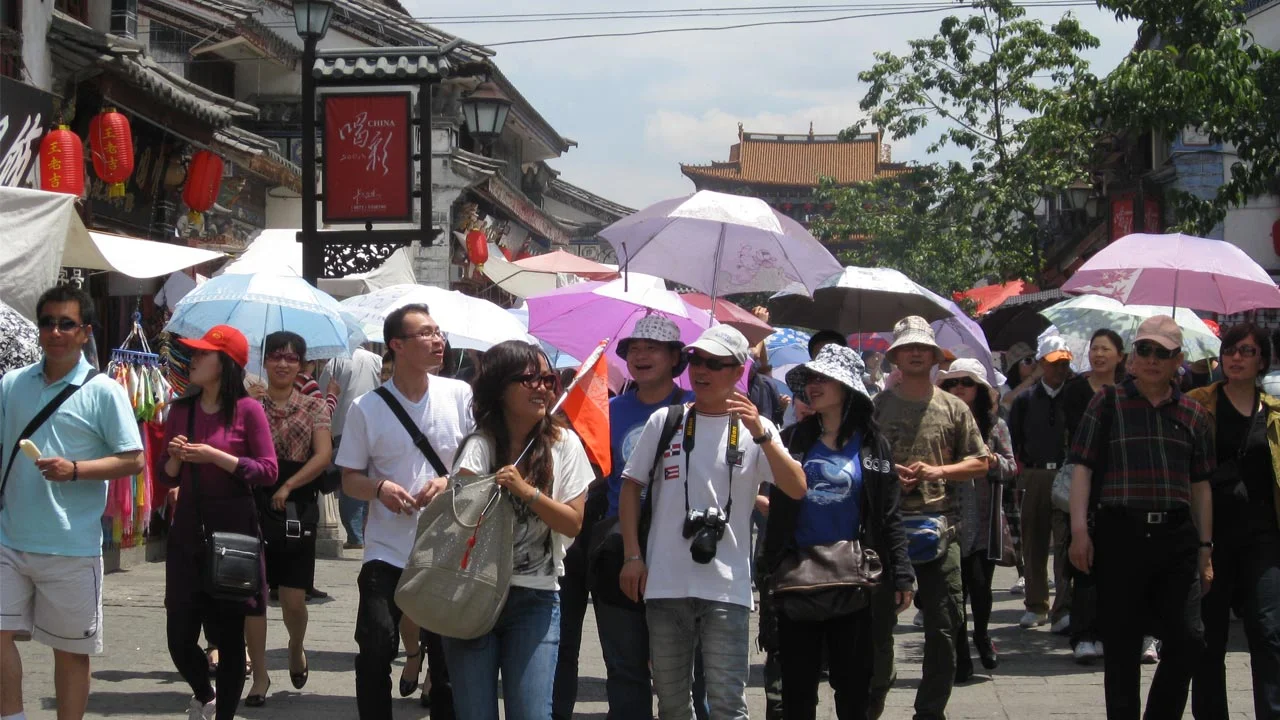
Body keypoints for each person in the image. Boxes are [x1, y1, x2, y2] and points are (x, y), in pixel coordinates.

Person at [619, 325, 807, 720]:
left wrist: (761, 434)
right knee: (671, 706)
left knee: (727, 706)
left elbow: (795, 487)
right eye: (695, 361)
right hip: (666, 583)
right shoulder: (665, 421)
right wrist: (632, 556)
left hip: (727, 588)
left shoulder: (758, 428)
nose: (700, 371)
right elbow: (630, 488)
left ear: (738, 372)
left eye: (715, 364)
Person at [0, 285, 144, 720]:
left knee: (69, 651)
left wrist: (76, 470)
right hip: (10, 537)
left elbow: (133, 459)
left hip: (71, 546)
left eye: (67, 324)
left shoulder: (103, 390)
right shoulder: (11, 383)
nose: (55, 332)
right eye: (47, 322)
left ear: (85, 332)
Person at [1067, 315, 1215, 720]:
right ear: (1133, 356)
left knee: (1189, 640)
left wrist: (1206, 546)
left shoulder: (1194, 413)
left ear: (1177, 360)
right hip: (1120, 533)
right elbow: (1082, 467)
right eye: (1145, 350)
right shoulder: (1108, 401)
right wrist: (1079, 531)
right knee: (1121, 647)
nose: (1151, 360)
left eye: (1162, 353)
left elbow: (1201, 485)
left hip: (1177, 536)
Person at [761, 344, 914, 720]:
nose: (813, 386)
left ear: (846, 388)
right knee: (796, 692)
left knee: (854, 688)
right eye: (810, 378)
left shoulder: (873, 444)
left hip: (856, 581)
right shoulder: (792, 439)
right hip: (798, 578)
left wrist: (903, 574)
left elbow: (889, 514)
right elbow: (773, 501)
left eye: (823, 379)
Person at [443, 341, 593, 720]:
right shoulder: (480, 445)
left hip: (535, 599)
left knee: (532, 713)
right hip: (472, 592)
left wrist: (527, 492)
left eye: (548, 379)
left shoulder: (565, 444)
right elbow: (457, 519)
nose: (541, 387)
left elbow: (573, 522)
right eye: (528, 379)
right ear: (499, 387)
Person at [336, 304, 472, 720]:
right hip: (386, 548)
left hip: (446, 547)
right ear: (396, 345)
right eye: (426, 334)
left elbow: (477, 466)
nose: (438, 341)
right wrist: (379, 488)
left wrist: (449, 483)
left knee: (447, 660)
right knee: (376, 644)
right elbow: (350, 479)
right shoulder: (366, 407)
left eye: (439, 332)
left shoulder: (459, 394)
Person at [560, 316, 694, 720]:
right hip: (620, 549)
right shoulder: (607, 410)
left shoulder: (696, 409)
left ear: (675, 357)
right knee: (625, 666)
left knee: (686, 671)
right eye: (634, 348)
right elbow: (587, 471)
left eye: (652, 348)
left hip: (681, 551)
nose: (640, 355)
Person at [867, 316, 989, 720]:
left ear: (935, 357)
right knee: (877, 633)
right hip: (886, 533)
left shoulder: (954, 407)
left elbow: (981, 461)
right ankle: (871, 706)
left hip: (941, 530)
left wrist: (940, 472)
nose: (916, 353)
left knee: (943, 629)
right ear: (896, 357)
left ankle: (929, 712)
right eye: (908, 347)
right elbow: (858, 460)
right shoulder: (877, 407)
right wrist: (889, 477)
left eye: (923, 347)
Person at [157, 325, 279, 720]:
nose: (192, 359)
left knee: (228, 637)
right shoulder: (181, 410)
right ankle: (204, 692)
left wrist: (216, 457)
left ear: (225, 364)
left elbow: (267, 470)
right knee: (179, 636)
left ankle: (224, 713)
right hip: (188, 533)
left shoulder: (249, 410)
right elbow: (166, 475)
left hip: (234, 534)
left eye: (201, 354)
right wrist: (176, 457)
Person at [1188, 322, 1280, 719]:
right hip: (1210, 536)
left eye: (1246, 351)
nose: (1236, 358)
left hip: (1263, 537)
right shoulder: (1197, 403)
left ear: (1262, 359)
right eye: (1230, 350)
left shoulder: (1275, 414)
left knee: (1268, 630)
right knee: (1208, 637)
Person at [243, 332, 333, 706]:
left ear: (302, 364)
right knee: (254, 596)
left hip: (296, 504)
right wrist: (248, 406)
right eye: (276, 356)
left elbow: (322, 455)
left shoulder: (314, 407)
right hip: (252, 503)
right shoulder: (249, 405)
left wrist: (288, 485)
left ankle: (296, 646)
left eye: (291, 358)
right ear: (264, 361)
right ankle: (260, 674)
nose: (283, 364)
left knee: (293, 599)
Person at [937, 359, 1017, 678]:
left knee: (981, 588)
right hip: (950, 516)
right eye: (952, 383)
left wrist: (992, 459)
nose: (959, 388)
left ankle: (981, 635)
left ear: (980, 390)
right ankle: (960, 655)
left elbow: (1012, 467)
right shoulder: (938, 421)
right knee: (956, 591)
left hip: (985, 518)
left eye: (966, 383)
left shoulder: (995, 425)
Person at [1060, 329, 1126, 664]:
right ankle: (1083, 634)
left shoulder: (1130, 391)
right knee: (1083, 560)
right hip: (1084, 479)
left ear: (1120, 355)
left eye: (1106, 349)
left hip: (1121, 482)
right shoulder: (1075, 391)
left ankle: (1109, 630)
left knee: (1117, 563)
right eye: (1094, 348)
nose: (1099, 354)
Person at [1008, 336, 1075, 633]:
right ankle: (1035, 605)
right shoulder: (1026, 399)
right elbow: (1014, 438)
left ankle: (1064, 608)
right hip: (1034, 474)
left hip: (1065, 473)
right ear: (1041, 364)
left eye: (1064, 363)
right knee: (1034, 542)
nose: (1060, 369)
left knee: (1065, 543)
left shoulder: (1075, 395)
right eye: (1054, 363)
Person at [320, 345, 383, 551]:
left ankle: (355, 535)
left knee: (349, 479)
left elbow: (322, 396)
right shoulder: (377, 360)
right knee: (371, 478)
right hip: (375, 428)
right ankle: (365, 531)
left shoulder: (335, 362)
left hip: (343, 428)